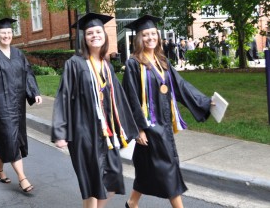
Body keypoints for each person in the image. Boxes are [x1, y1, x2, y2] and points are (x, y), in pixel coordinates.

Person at [122, 15, 213, 208]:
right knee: (168, 166)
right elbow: (130, 98)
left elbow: (180, 86)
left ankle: (132, 203)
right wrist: (138, 128)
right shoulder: (133, 64)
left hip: (164, 123)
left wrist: (205, 102)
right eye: (145, 35)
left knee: (148, 168)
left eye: (153, 33)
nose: (150, 38)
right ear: (139, 38)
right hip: (148, 125)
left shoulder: (162, 61)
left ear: (158, 35)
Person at [51, 13, 139, 208]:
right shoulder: (74, 64)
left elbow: (119, 100)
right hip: (84, 133)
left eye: (98, 32)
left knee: (113, 180)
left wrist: (132, 129)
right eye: (90, 33)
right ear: (84, 38)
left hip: (106, 134)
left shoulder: (106, 65)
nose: (94, 35)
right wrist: (60, 131)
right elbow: (63, 96)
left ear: (105, 35)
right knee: (92, 185)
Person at [0, 18, 42, 193]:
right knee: (9, 137)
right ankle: (22, 178)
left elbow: (27, 73)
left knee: (11, 138)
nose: (6, 35)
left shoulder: (18, 54)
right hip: (0, 106)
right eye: (3, 33)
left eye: (9, 32)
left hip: (17, 104)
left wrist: (34, 92)